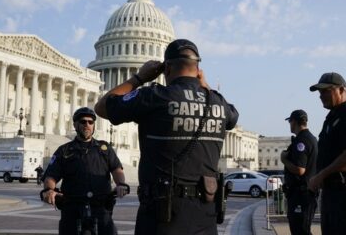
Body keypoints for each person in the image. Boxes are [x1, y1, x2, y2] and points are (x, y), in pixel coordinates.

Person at [95, 39, 239, 235]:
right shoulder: (218, 103)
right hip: (205, 215)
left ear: (167, 68)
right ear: (198, 68)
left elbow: (102, 107)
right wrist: (204, 84)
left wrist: (138, 78)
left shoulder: (154, 96)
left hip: (162, 215)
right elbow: (232, 117)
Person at [41, 107, 128, 235]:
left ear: (93, 126)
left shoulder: (104, 148)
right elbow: (51, 176)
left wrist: (121, 184)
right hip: (72, 207)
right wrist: (49, 190)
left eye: (90, 122)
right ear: (75, 124)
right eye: (83, 121)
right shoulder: (64, 150)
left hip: (101, 206)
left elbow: (117, 170)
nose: (87, 125)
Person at [307, 72, 346, 235]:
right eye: (320, 93)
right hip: (333, 193)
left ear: (342, 90)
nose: (321, 96)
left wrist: (320, 176)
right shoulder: (332, 118)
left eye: (326, 91)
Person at [280, 109, 318, 235]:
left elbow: (300, 170)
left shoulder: (301, 141)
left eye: (290, 121)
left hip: (301, 194)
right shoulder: (311, 138)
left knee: (300, 230)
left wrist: (284, 160)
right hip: (305, 192)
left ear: (294, 122)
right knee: (301, 229)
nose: (290, 125)